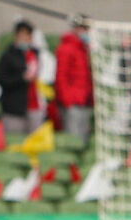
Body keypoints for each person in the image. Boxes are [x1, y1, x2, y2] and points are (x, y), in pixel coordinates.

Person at [0, 20, 44, 134]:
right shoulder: (7, 56)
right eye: (22, 34)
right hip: (14, 108)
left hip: (34, 106)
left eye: (27, 34)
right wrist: (21, 79)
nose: (25, 37)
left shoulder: (35, 54)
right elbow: (2, 80)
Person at [55, 14, 93, 142]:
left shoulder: (85, 49)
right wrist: (68, 101)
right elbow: (61, 77)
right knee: (73, 139)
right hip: (73, 103)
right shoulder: (67, 48)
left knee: (83, 139)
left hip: (84, 101)